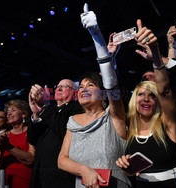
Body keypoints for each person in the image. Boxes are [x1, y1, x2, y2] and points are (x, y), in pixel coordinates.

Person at [58, 4, 131, 188]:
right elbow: (62, 160)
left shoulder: (113, 116)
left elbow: (111, 83)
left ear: (104, 94)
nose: (83, 89)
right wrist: (84, 170)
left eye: (90, 85)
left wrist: (97, 37)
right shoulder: (72, 121)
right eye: (81, 86)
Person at [116, 19, 176, 188]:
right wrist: (125, 163)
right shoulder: (128, 131)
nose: (146, 99)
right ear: (133, 101)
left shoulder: (168, 124)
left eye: (152, 95)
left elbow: (165, 91)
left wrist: (155, 53)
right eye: (141, 94)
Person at [27, 80, 83, 188]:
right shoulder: (49, 110)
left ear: (75, 94)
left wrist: (45, 108)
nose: (59, 88)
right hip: (40, 176)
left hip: (60, 178)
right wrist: (35, 113)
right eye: (58, 86)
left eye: (65, 86)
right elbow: (32, 139)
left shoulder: (78, 109)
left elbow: (65, 130)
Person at [0, 99, 34, 188]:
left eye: (13, 110)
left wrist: (8, 146)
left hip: (27, 182)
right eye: (8, 112)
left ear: (24, 114)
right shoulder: (5, 136)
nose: (9, 114)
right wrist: (0, 148)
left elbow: (31, 159)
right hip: (7, 183)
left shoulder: (30, 132)